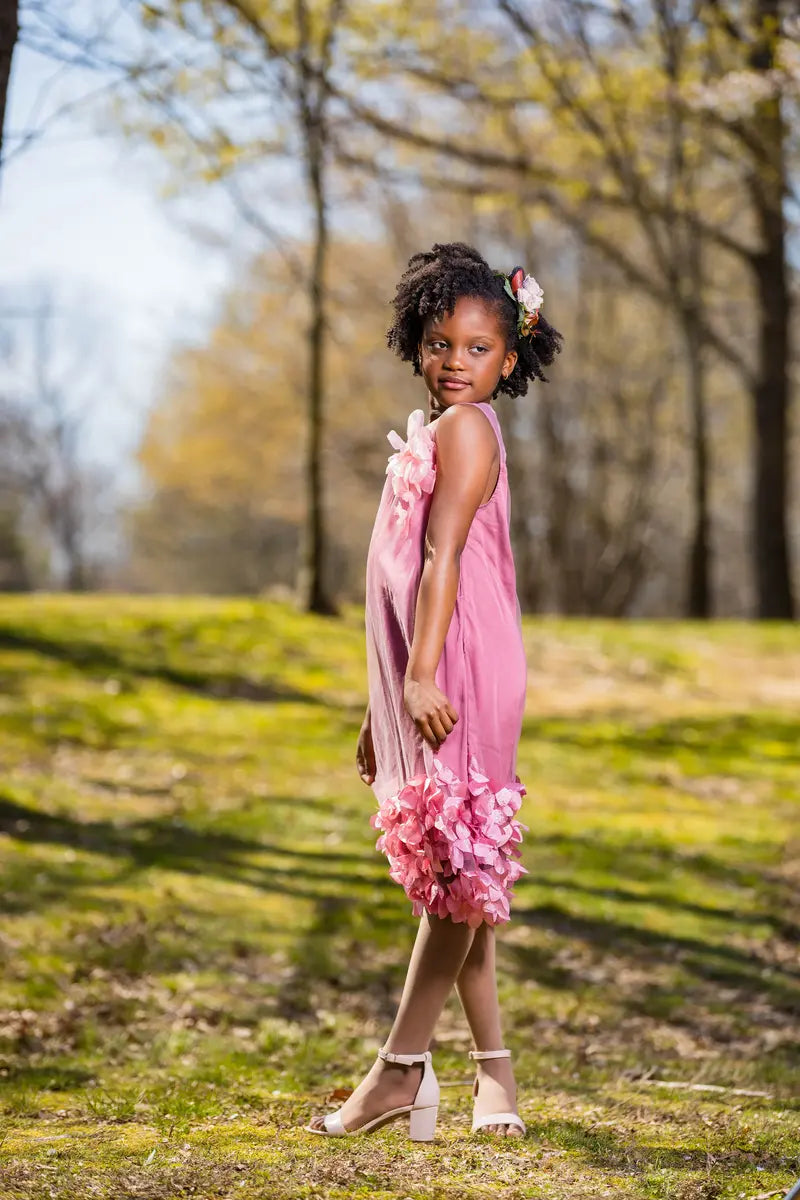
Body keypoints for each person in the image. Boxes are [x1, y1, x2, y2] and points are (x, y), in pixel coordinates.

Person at [305, 241, 563, 1141]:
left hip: (460, 665)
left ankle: (399, 1070)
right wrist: (382, 701)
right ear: (417, 341)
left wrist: (417, 682)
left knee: (457, 874)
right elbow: (397, 576)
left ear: (512, 356)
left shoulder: (467, 430)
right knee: (457, 878)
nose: (457, 362)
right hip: (428, 667)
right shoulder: (431, 432)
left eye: (480, 349)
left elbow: (445, 557)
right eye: (442, 343)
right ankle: (495, 1078)